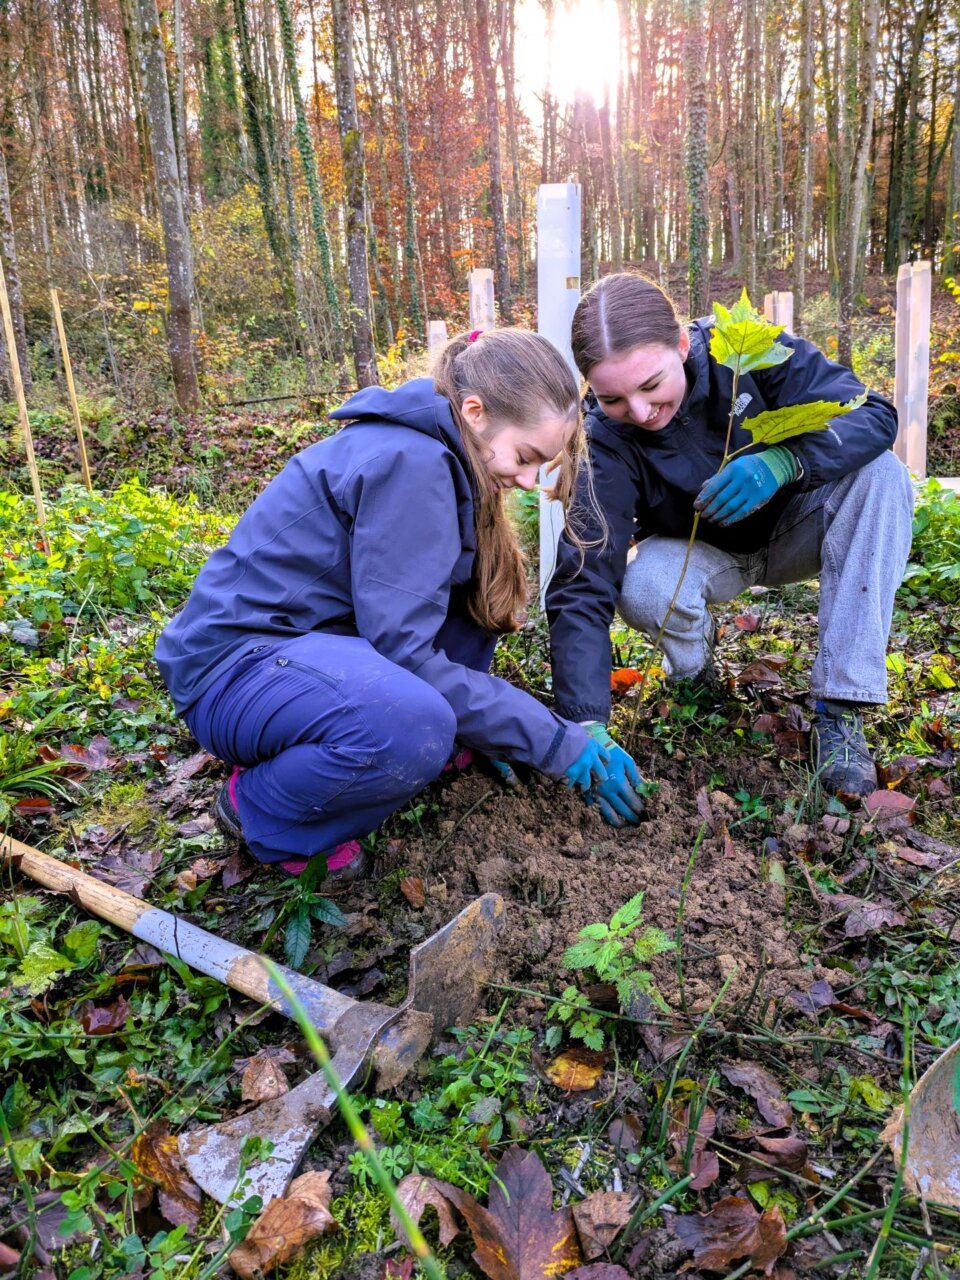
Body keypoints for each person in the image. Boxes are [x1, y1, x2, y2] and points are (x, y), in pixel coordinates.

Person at [155, 328, 637, 879]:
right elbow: (405, 652)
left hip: (298, 656)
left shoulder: (445, 454)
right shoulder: (414, 463)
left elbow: (438, 619)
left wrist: (493, 726)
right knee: (410, 723)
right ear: (475, 411)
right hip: (231, 671)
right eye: (525, 457)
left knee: (467, 620)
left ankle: (362, 745)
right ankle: (262, 810)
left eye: (541, 466)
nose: (528, 481)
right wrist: (553, 739)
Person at [546, 273, 915, 803]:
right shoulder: (602, 439)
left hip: (798, 524)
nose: (642, 413)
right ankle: (695, 677)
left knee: (882, 475)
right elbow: (585, 576)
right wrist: (584, 720)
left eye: (651, 385)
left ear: (681, 344)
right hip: (706, 553)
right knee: (645, 584)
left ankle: (841, 709)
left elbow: (874, 416)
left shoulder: (749, 351)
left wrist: (788, 460)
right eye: (614, 398)